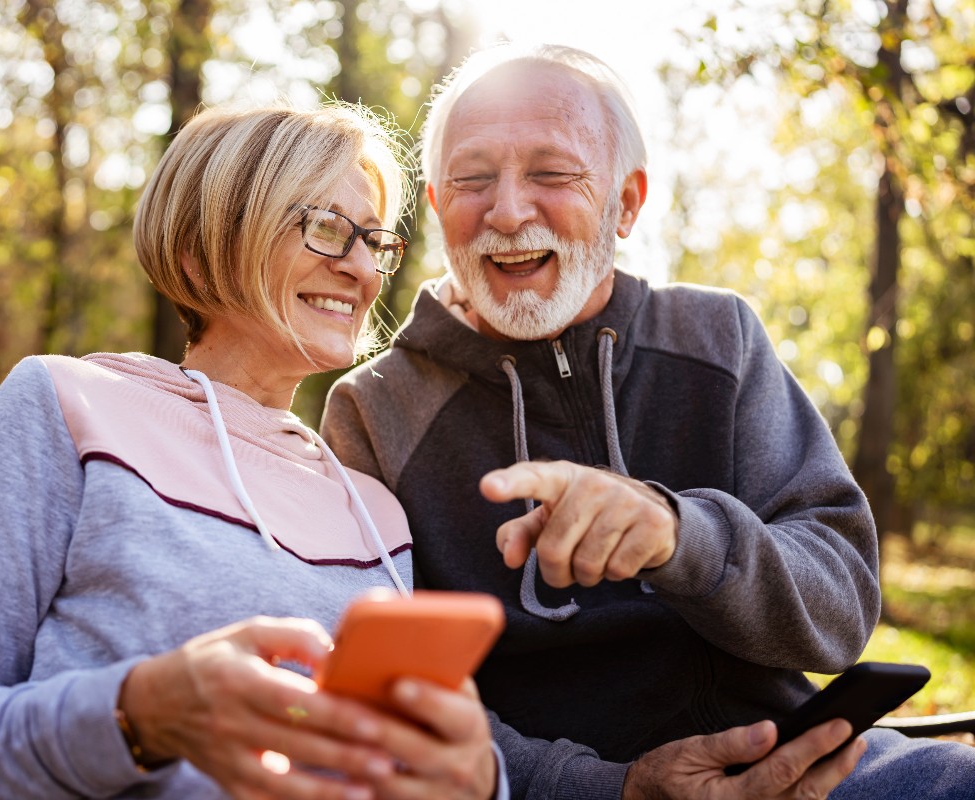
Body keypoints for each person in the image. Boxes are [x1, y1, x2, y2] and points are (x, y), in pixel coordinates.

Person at [321, 43, 975, 799]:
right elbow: (398, 694)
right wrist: (611, 787)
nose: (505, 210)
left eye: (551, 173)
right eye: (471, 179)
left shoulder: (719, 339)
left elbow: (841, 612)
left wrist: (679, 535)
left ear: (626, 203)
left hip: (798, 772)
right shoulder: (374, 411)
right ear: (437, 209)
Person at [0, 103, 505, 800]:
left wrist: (480, 779)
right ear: (204, 247)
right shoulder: (68, 406)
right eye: (326, 228)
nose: (361, 269)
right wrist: (140, 714)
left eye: (374, 241)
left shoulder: (374, 509)